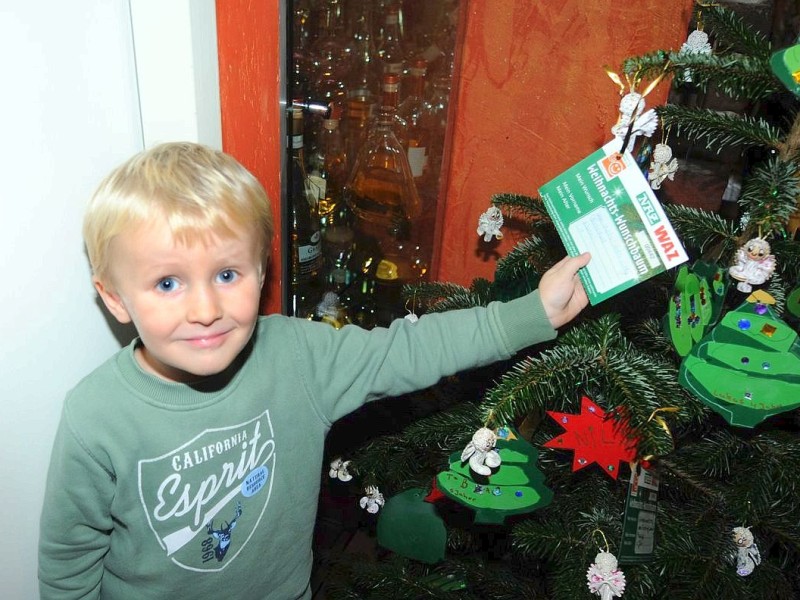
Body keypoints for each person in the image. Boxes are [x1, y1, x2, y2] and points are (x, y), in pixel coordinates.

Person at [39, 142, 591, 600]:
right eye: (167, 283)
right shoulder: (95, 418)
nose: (205, 308)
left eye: (228, 273)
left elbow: (408, 350)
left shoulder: (299, 356)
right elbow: (68, 569)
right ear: (114, 299)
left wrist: (530, 313)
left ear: (262, 271)